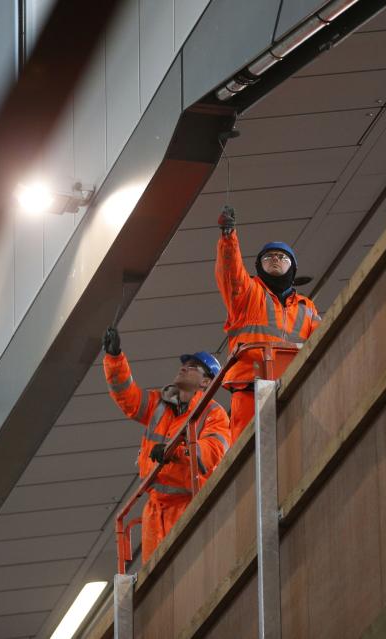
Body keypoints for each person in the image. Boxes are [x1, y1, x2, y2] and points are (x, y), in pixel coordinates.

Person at [102, 326, 231, 563]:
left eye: (193, 367)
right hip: (154, 511)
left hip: (187, 506)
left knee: (186, 571)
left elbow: (213, 452)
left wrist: (175, 452)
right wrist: (114, 357)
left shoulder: (213, 413)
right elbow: (126, 397)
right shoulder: (158, 404)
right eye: (184, 364)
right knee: (157, 583)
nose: (184, 367)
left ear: (206, 382)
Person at [216, 205, 321, 440]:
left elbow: (326, 339)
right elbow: (230, 272)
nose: (275, 260)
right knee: (247, 450)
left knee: (296, 444)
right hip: (250, 387)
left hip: (294, 385)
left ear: (292, 268)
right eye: (268, 257)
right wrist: (228, 236)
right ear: (258, 267)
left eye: (282, 257)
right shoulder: (248, 295)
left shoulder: (307, 308)